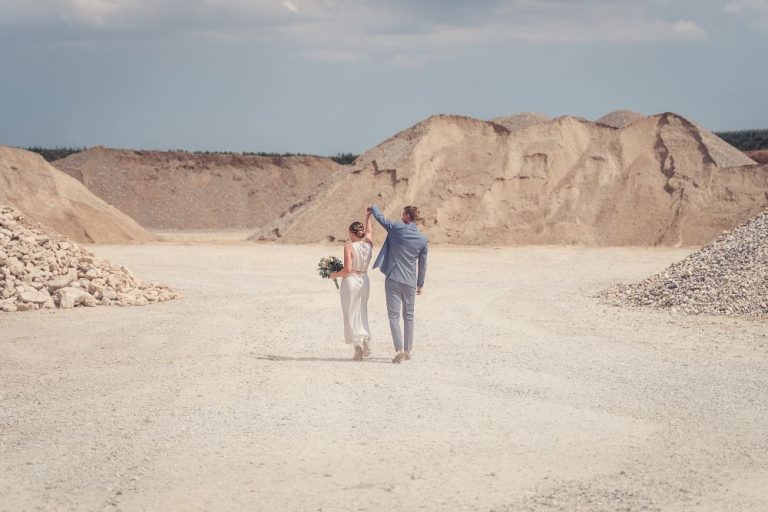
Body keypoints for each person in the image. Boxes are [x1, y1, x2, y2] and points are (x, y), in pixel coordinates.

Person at [369, 204, 428, 363]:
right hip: (409, 282)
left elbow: (381, 219)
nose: (401, 217)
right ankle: (408, 350)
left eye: (403, 214)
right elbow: (423, 264)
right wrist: (420, 283)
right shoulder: (423, 239)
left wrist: (374, 207)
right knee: (409, 316)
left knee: (393, 315)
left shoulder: (396, 228)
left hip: (393, 278)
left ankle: (399, 349)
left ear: (408, 216)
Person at [330, 210, 374, 361]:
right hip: (365, 278)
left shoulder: (349, 247)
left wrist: (334, 274)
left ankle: (357, 347)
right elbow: (369, 231)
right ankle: (366, 338)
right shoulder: (369, 242)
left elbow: (347, 269)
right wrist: (368, 217)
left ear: (352, 233)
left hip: (352, 280)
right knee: (362, 309)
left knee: (350, 312)